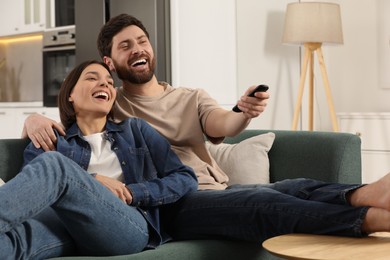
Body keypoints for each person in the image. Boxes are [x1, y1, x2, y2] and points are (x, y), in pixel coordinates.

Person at [23, 14, 390, 243]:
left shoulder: (189, 96)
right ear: (111, 61)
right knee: (264, 201)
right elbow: (73, 117)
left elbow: (223, 124)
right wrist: (32, 119)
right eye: (125, 46)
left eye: (142, 41)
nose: (138, 49)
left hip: (212, 188)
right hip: (173, 203)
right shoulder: (110, 100)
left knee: (295, 187)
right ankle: (372, 220)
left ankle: (368, 194)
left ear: (152, 49)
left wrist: (243, 112)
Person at [1, 60, 197, 259]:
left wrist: (132, 192)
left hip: (126, 226)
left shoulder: (136, 130)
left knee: (55, 165)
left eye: (110, 83)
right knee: (7, 245)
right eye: (92, 78)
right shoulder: (49, 138)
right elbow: (30, 195)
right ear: (71, 94)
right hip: (62, 227)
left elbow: (185, 178)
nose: (105, 85)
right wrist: (91, 180)